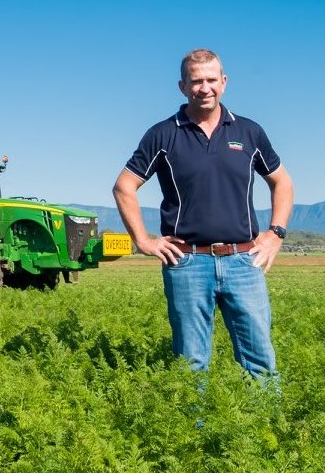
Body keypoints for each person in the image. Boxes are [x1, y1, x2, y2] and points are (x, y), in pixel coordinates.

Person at [113, 48, 294, 390]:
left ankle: (268, 436)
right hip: (187, 261)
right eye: (197, 81)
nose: (205, 88)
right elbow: (124, 186)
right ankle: (192, 439)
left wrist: (276, 233)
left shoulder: (250, 132)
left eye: (212, 80)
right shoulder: (163, 135)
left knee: (260, 359)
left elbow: (282, 181)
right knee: (191, 363)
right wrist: (143, 241)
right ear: (182, 86)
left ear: (224, 83)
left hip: (244, 260)